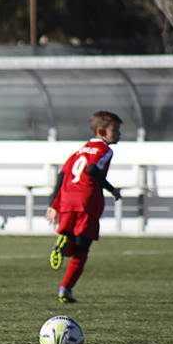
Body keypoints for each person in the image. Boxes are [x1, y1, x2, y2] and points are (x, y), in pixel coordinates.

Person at [45, 111, 122, 303]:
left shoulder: (78, 151)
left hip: (67, 200)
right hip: (86, 201)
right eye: (115, 130)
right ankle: (65, 289)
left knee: (72, 240)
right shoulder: (105, 149)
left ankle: (64, 244)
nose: (119, 134)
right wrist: (111, 189)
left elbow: (62, 176)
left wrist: (53, 205)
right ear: (101, 132)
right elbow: (92, 169)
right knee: (82, 249)